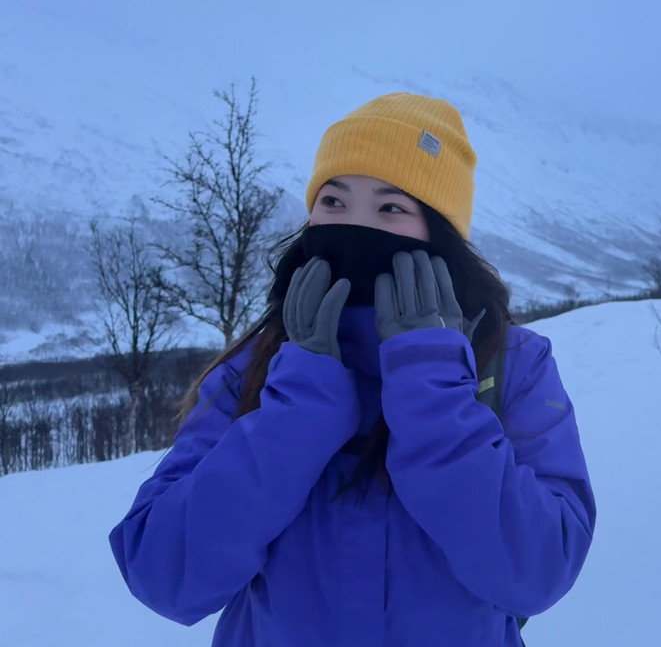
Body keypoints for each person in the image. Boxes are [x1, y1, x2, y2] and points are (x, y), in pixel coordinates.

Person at [109, 92, 596, 646]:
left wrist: (433, 389)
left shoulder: (511, 365)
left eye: (391, 208)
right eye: (334, 202)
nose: (355, 226)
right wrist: (298, 406)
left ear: (439, 233)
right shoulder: (257, 368)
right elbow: (163, 573)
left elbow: (539, 569)